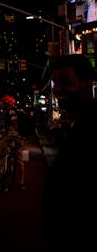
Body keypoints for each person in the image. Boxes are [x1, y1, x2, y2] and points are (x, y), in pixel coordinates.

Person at [42, 54, 97, 250]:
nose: (58, 90)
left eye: (66, 82)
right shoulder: (76, 124)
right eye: (55, 83)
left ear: (87, 82)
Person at [0, 99, 26, 192]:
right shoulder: (18, 111)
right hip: (20, 138)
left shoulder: (8, 112)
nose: (1, 104)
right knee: (19, 160)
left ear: (6, 104)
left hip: (11, 136)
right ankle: (21, 182)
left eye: (2, 103)